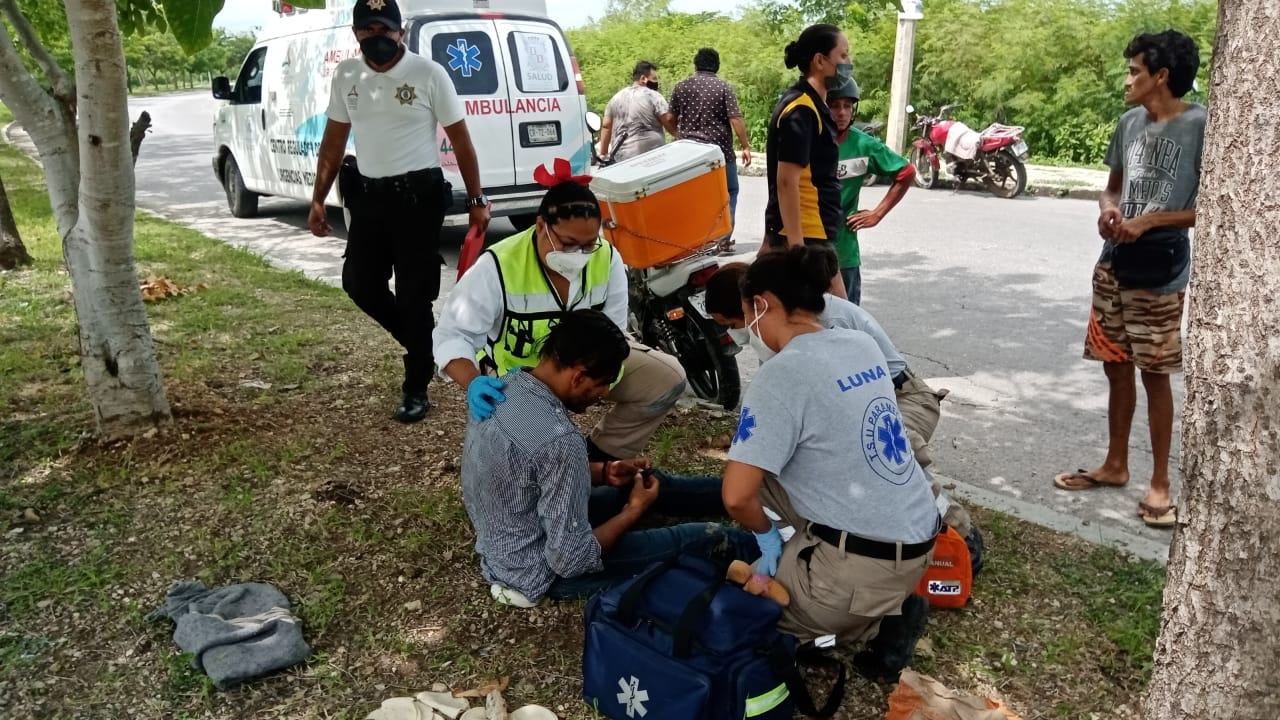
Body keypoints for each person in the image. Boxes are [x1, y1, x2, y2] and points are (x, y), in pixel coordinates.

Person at [720, 246, 941, 643]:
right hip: (919, 540)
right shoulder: (859, 344)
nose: (748, 330)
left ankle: (870, 620)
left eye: (747, 316)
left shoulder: (779, 375)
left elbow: (736, 497)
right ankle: (877, 592)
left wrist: (767, 537)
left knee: (754, 615)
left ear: (760, 304)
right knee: (763, 471)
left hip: (864, 572)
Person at [461, 309, 756, 606]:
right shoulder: (559, 440)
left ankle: (751, 494)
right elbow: (570, 559)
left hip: (511, 534)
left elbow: (527, 471)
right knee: (702, 537)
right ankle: (779, 550)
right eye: (603, 383)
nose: (603, 394)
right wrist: (632, 511)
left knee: (641, 481)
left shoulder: (503, 387)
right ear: (578, 376)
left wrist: (604, 472)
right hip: (543, 570)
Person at [307, 0, 489, 423]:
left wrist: (478, 201)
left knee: (413, 293)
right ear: (355, 33)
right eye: (368, 29)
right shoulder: (348, 75)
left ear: (400, 32)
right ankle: (428, 348)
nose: (378, 37)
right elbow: (334, 142)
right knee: (359, 283)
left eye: (385, 29)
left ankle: (416, 384)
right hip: (369, 199)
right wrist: (318, 198)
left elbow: (461, 141)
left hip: (416, 199)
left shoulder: (429, 74)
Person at [1052, 30, 1205, 530]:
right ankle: (1116, 464)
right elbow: (1112, 188)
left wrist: (1152, 221)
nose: (1128, 79)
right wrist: (1110, 211)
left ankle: (1160, 483)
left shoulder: (1201, 125)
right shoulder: (1128, 124)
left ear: (1161, 76)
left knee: (1154, 373)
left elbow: (1212, 207)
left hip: (1161, 271)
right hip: (1113, 263)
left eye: (1135, 70)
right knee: (1114, 364)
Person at [433, 161, 687, 461]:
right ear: (541, 226)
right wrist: (474, 383)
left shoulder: (606, 259)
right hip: (521, 381)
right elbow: (452, 335)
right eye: (568, 244)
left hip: (587, 370)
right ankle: (566, 462)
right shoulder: (498, 266)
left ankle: (600, 457)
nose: (579, 256)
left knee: (666, 378)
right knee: (543, 457)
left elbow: (614, 333)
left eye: (588, 245)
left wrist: (590, 379)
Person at [705, 261, 946, 468]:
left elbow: (835, 406)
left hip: (903, 398)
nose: (732, 333)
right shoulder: (780, 327)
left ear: (757, 306)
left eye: (731, 324)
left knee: (871, 463)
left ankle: (942, 517)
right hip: (865, 404)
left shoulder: (823, 325)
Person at [763, 23, 852, 299]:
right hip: (807, 234)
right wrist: (798, 247)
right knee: (841, 317)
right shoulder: (801, 110)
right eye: (843, 56)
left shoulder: (813, 106)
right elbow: (787, 181)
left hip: (811, 230)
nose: (848, 63)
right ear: (819, 61)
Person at [827, 78, 914, 305]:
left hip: (843, 252)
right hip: (805, 247)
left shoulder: (864, 145)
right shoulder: (808, 140)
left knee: (847, 320)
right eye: (835, 105)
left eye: (847, 106)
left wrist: (877, 213)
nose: (842, 112)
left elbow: (905, 172)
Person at [669, 48, 754, 231]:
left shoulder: (681, 87)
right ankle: (722, 238)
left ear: (696, 65)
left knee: (692, 196)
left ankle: (694, 239)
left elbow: (669, 118)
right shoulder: (723, 87)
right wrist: (745, 146)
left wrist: (678, 135)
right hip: (720, 152)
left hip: (687, 152)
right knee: (729, 192)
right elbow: (735, 118)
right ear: (717, 66)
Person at [598, 61, 677, 162]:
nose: (656, 83)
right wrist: (679, 135)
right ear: (643, 79)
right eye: (654, 79)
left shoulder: (615, 99)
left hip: (622, 158)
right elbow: (668, 121)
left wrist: (603, 154)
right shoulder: (653, 96)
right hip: (653, 157)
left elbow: (606, 126)